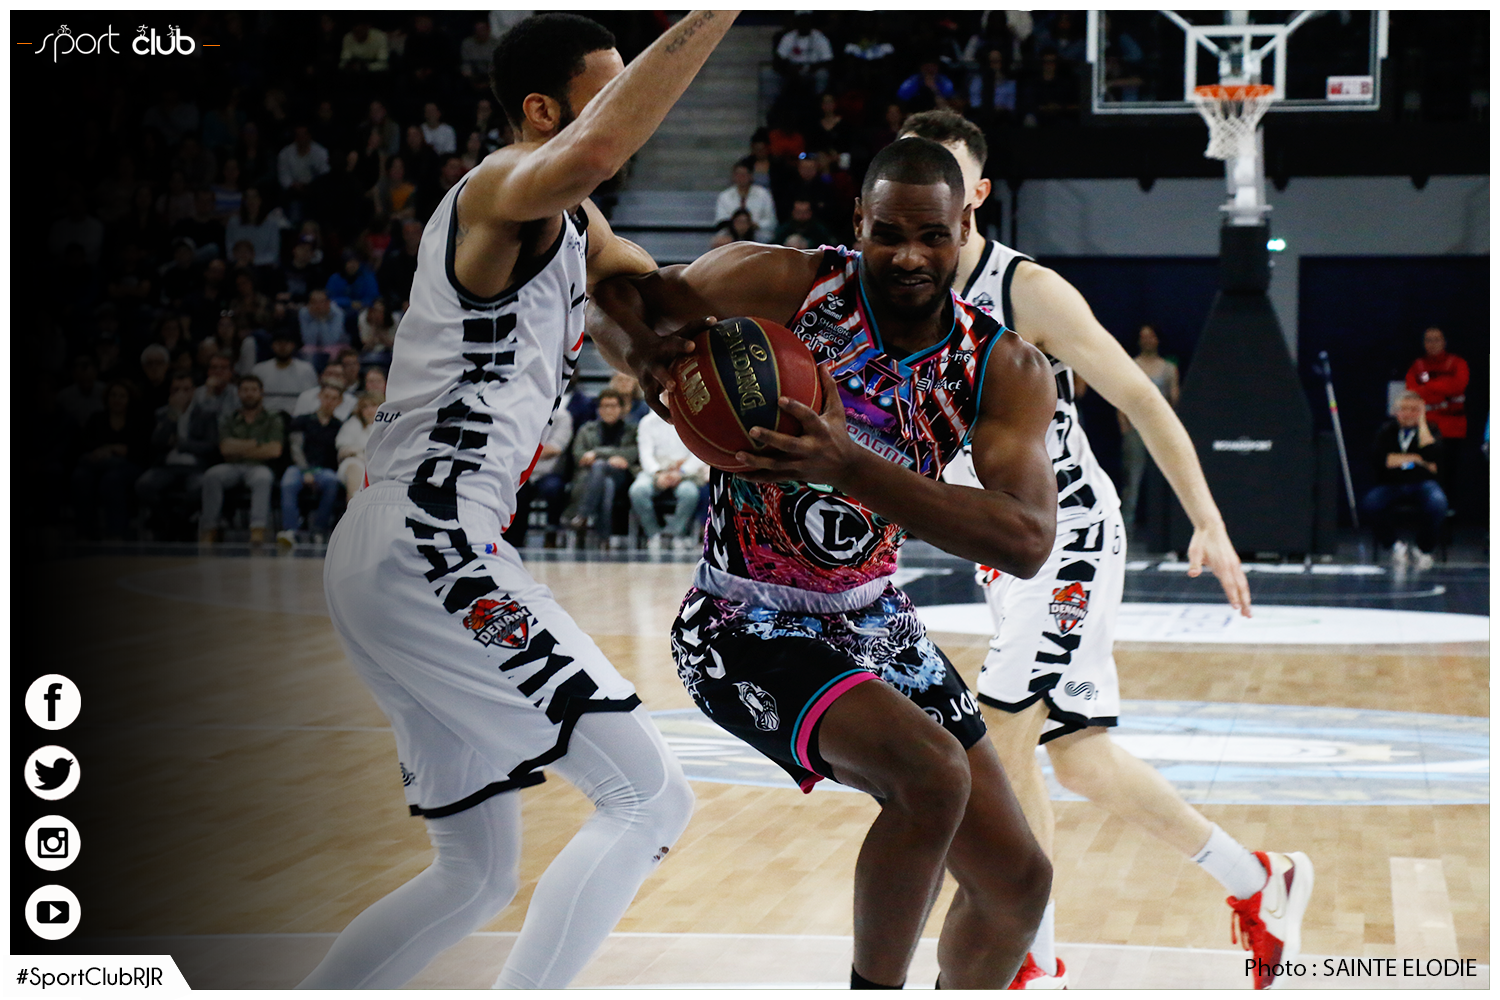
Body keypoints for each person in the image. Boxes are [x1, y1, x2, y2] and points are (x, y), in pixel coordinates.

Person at [302, 11, 736, 991]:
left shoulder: (577, 224)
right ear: (542, 111)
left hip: (403, 546)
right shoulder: (501, 186)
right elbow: (600, 148)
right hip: (429, 538)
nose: (628, 109)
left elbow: (644, 295)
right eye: (607, 88)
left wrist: (702, 341)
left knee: (473, 874)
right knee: (649, 799)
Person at [592, 137, 1057, 990]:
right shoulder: (783, 283)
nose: (910, 256)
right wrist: (646, 357)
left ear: (966, 228)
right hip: (740, 616)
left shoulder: (1003, 365)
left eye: (932, 235)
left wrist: (849, 466)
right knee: (931, 776)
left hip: (876, 616)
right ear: (858, 223)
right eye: (889, 234)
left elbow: (1026, 542)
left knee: (1018, 885)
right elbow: (617, 299)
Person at [899, 110, 1305, 991]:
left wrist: (1208, 520)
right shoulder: (891, 286)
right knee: (1078, 759)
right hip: (1002, 549)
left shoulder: (1027, 289)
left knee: (998, 741)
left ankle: (1032, 961)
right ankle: (1258, 880)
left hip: (1068, 532)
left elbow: (1142, 400)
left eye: (948, 177)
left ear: (975, 193)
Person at [1362, 390, 1446, 569]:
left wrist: (1422, 424)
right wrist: (1417, 458)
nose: (1409, 414)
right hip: (1391, 483)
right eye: (1404, 409)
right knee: (1371, 503)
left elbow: (1433, 457)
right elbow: (1382, 460)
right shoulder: (1386, 431)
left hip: (1422, 483)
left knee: (1438, 503)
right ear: (1396, 411)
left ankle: (1422, 548)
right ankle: (1394, 545)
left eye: (1414, 410)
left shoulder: (1431, 430)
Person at [200, 374, 284, 548]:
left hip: (259, 467)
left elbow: (274, 450)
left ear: (261, 393)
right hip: (232, 466)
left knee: (263, 477)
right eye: (245, 390)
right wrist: (257, 444)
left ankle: (257, 529)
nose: (249, 394)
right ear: (238, 393)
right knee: (212, 475)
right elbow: (225, 448)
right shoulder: (229, 418)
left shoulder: (272, 418)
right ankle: (210, 528)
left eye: (253, 390)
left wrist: (238, 446)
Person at [1117, 323, 1179, 528]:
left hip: (1160, 431)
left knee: (1164, 481)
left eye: (1151, 336)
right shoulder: (1130, 365)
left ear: (1157, 339)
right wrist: (1124, 426)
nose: (1147, 340)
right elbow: (1121, 395)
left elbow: (1174, 399)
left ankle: (1164, 530)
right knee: (1132, 482)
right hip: (1136, 431)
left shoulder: (1168, 368)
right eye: (1143, 336)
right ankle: (1126, 530)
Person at [566, 388, 638, 547]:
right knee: (606, 484)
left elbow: (632, 453)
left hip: (622, 477)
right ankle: (604, 538)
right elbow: (578, 455)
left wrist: (597, 453)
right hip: (590, 477)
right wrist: (610, 457)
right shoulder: (587, 429)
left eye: (613, 406)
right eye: (604, 406)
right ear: (598, 409)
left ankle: (582, 515)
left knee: (599, 466)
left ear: (621, 409)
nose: (608, 410)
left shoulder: (632, 430)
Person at [1404, 326, 1467, 505]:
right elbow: (1412, 392)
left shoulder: (1457, 363)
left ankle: (1449, 508)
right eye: (1428, 340)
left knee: (1450, 472)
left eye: (1436, 340)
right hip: (1426, 427)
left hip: (1453, 428)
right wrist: (1440, 388)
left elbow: (1458, 386)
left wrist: (1428, 387)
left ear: (1444, 342)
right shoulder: (1418, 366)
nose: (1432, 344)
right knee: (1424, 471)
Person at [278, 380, 345, 547]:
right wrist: (306, 470)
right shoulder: (301, 421)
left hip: (325, 470)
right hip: (300, 467)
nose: (329, 401)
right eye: (326, 397)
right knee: (288, 482)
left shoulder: (339, 426)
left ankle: (319, 530)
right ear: (319, 397)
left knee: (332, 481)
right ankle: (290, 531)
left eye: (334, 398)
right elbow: (296, 448)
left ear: (339, 402)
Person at [629, 409, 707, 553]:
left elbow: (700, 452)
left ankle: (675, 534)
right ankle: (654, 535)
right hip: (655, 470)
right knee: (638, 490)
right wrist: (658, 473)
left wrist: (682, 472)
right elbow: (645, 454)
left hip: (684, 471)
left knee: (689, 493)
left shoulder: (694, 418)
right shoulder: (647, 422)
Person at [714, 163, 776, 243]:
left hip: (757, 232)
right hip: (731, 233)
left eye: (744, 174)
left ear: (751, 176)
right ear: (733, 176)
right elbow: (721, 219)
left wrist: (753, 225)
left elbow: (771, 221)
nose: (741, 177)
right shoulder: (725, 196)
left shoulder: (763, 194)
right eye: (738, 174)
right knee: (719, 241)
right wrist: (737, 226)